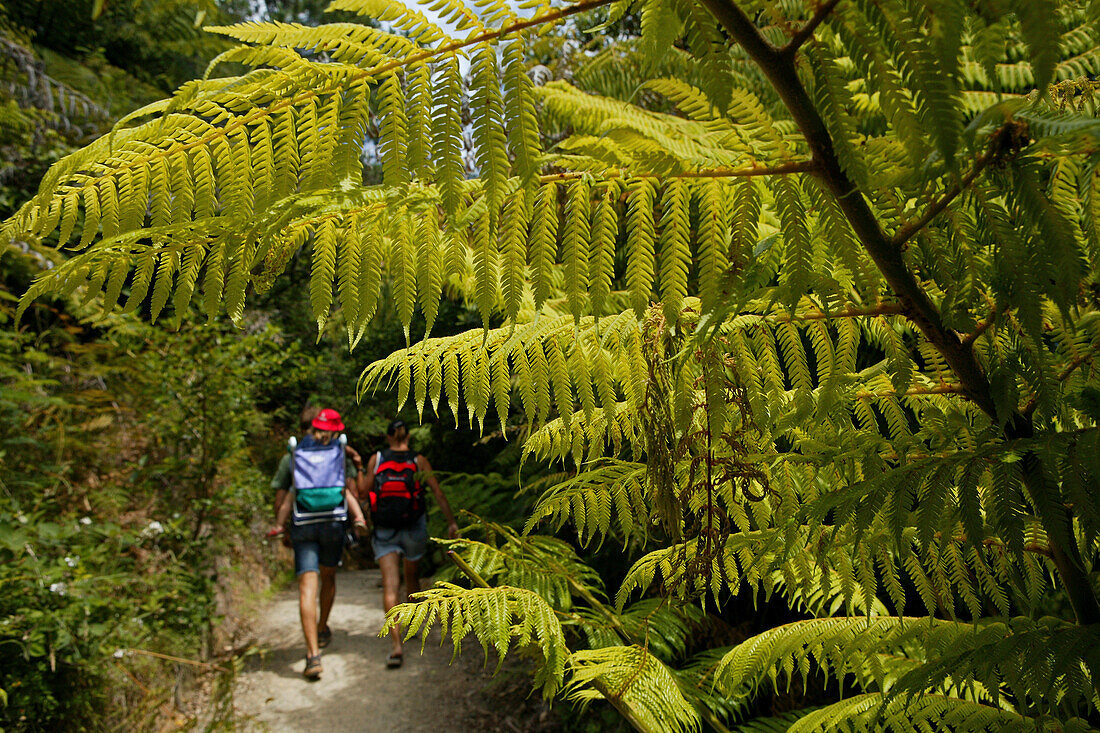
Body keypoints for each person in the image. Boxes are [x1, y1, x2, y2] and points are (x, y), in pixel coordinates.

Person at [269, 407, 369, 680]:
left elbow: (283, 495)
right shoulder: (339, 451)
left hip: (303, 523)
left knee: (306, 588)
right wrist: (357, 517)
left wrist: (282, 527)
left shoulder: (293, 454)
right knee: (329, 577)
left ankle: (313, 655)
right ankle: (322, 625)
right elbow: (350, 489)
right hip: (332, 523)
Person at [361, 419, 459, 669]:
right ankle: (413, 626)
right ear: (407, 436)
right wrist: (451, 522)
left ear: (388, 436)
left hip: (384, 528)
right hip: (413, 526)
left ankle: (395, 647)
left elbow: (365, 490)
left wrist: (357, 467)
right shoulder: (419, 460)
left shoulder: (377, 458)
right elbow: (437, 492)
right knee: (412, 579)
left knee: (390, 587)